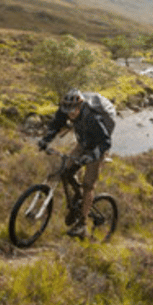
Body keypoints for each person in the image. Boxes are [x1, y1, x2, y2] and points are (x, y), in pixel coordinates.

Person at [38, 88, 113, 238]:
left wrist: (93, 156)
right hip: (83, 142)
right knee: (65, 171)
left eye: (74, 110)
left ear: (80, 106)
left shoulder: (92, 117)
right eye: (68, 110)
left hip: (97, 146)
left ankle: (82, 225)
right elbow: (55, 125)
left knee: (88, 184)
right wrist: (45, 140)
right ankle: (76, 202)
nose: (70, 114)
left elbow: (106, 142)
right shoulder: (65, 109)